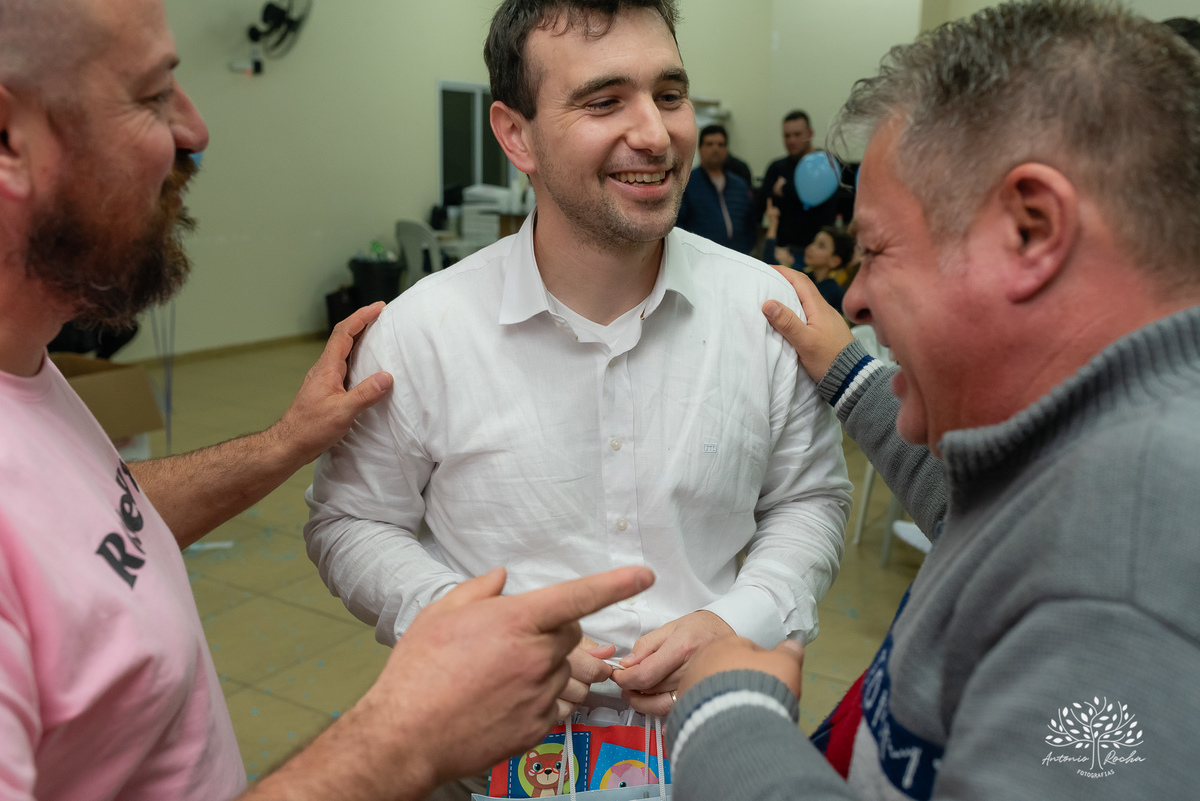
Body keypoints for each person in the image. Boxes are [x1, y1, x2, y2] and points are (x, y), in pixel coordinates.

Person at [0, 1, 655, 799]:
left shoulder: (24, 372)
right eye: (151, 95)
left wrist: (284, 441)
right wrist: (406, 734)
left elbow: (87, 526)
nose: (195, 131)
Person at [665, 1, 1200, 799]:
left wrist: (727, 717)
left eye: (877, 251)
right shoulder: (1093, 456)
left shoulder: (1127, 577)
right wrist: (847, 372)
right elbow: (977, 509)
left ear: (1030, 229)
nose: (856, 298)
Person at [306, 0, 851, 738]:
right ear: (517, 135)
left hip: (714, 743)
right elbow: (354, 519)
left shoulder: (765, 312)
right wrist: (464, 625)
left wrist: (741, 619)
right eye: (604, 101)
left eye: (670, 95)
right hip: (484, 749)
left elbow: (808, 499)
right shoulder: (421, 332)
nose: (655, 134)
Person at [676, 124, 757, 253]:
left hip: (738, 256)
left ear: (726, 149)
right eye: (709, 144)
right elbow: (678, 224)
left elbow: (750, 224)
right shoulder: (686, 183)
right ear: (699, 149)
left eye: (721, 144)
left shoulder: (739, 185)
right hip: (700, 256)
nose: (715, 149)